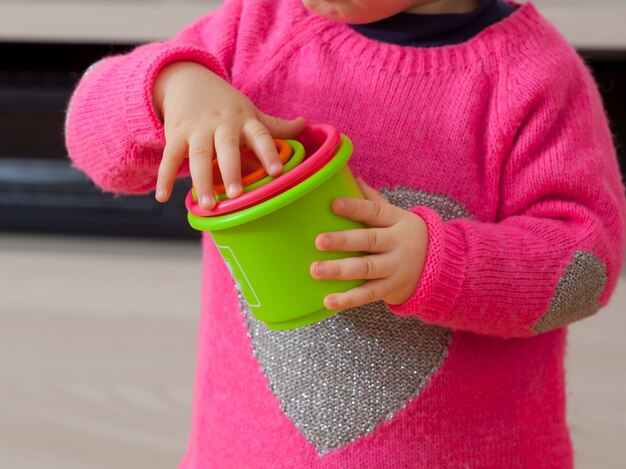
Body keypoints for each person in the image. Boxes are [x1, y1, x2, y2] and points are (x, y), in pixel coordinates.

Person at [65, 0, 626, 467]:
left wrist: (440, 262)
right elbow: (89, 133)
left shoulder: (536, 78)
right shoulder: (252, 31)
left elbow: (586, 268)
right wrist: (174, 85)